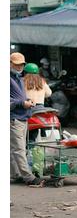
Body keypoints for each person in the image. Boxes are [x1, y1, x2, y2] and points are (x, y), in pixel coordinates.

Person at [10, 53, 45, 186]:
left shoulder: (18, 78)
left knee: (16, 149)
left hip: (22, 117)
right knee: (19, 149)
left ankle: (15, 174)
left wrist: (27, 100)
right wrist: (21, 103)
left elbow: (19, 97)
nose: (19, 67)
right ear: (10, 63)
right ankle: (28, 177)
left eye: (21, 64)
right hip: (14, 118)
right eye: (16, 64)